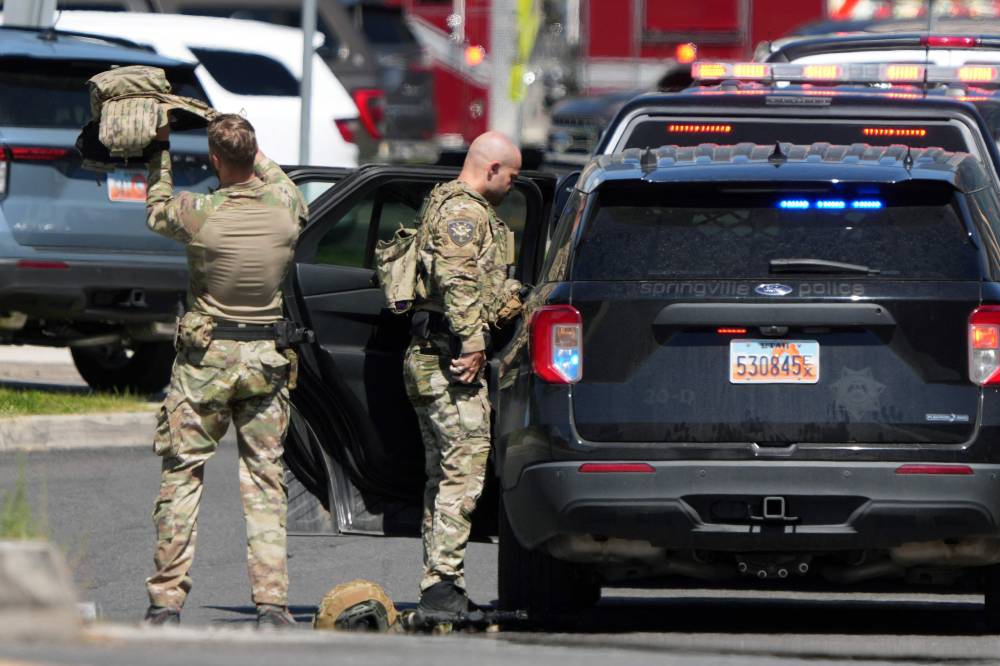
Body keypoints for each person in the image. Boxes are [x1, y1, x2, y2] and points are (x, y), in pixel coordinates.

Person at [141, 114, 307, 627]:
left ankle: (166, 603)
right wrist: (244, 143)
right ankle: (273, 604)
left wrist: (161, 148)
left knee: (183, 476)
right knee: (265, 480)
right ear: (253, 154)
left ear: (215, 161)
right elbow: (275, 176)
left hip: (205, 365)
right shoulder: (287, 209)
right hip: (265, 365)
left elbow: (156, 209)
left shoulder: (200, 214)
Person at [404, 131, 523, 613]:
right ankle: (442, 587)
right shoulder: (463, 213)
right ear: (492, 168)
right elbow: (457, 279)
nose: (513, 185)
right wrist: (474, 343)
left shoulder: (443, 202)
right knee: (465, 470)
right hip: (448, 359)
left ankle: (440, 583)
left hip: (431, 356)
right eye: (512, 176)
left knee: (442, 476)